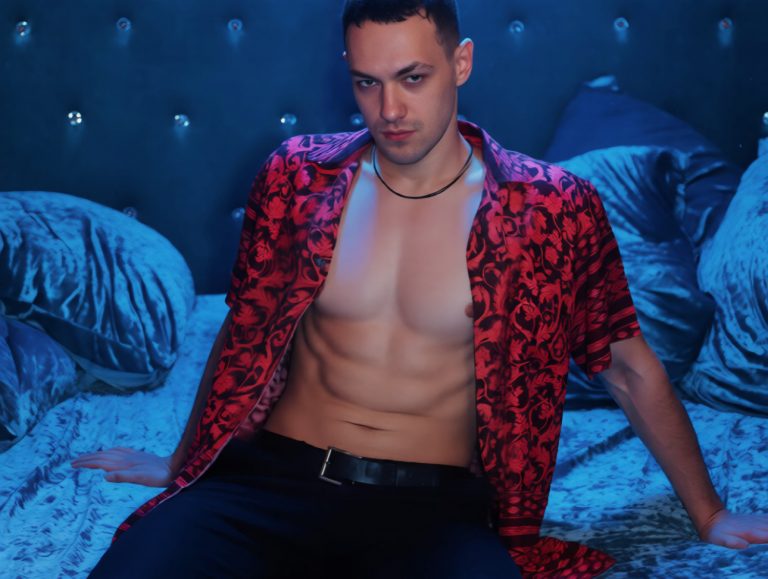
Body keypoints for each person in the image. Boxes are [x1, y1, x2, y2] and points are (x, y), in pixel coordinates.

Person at [72, 1, 768, 577]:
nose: (390, 108)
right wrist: (183, 461)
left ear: (461, 63)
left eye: (412, 77)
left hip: (430, 511)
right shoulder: (297, 178)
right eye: (367, 82)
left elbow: (627, 366)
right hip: (269, 484)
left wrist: (708, 513)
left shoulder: (549, 208)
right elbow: (244, 330)